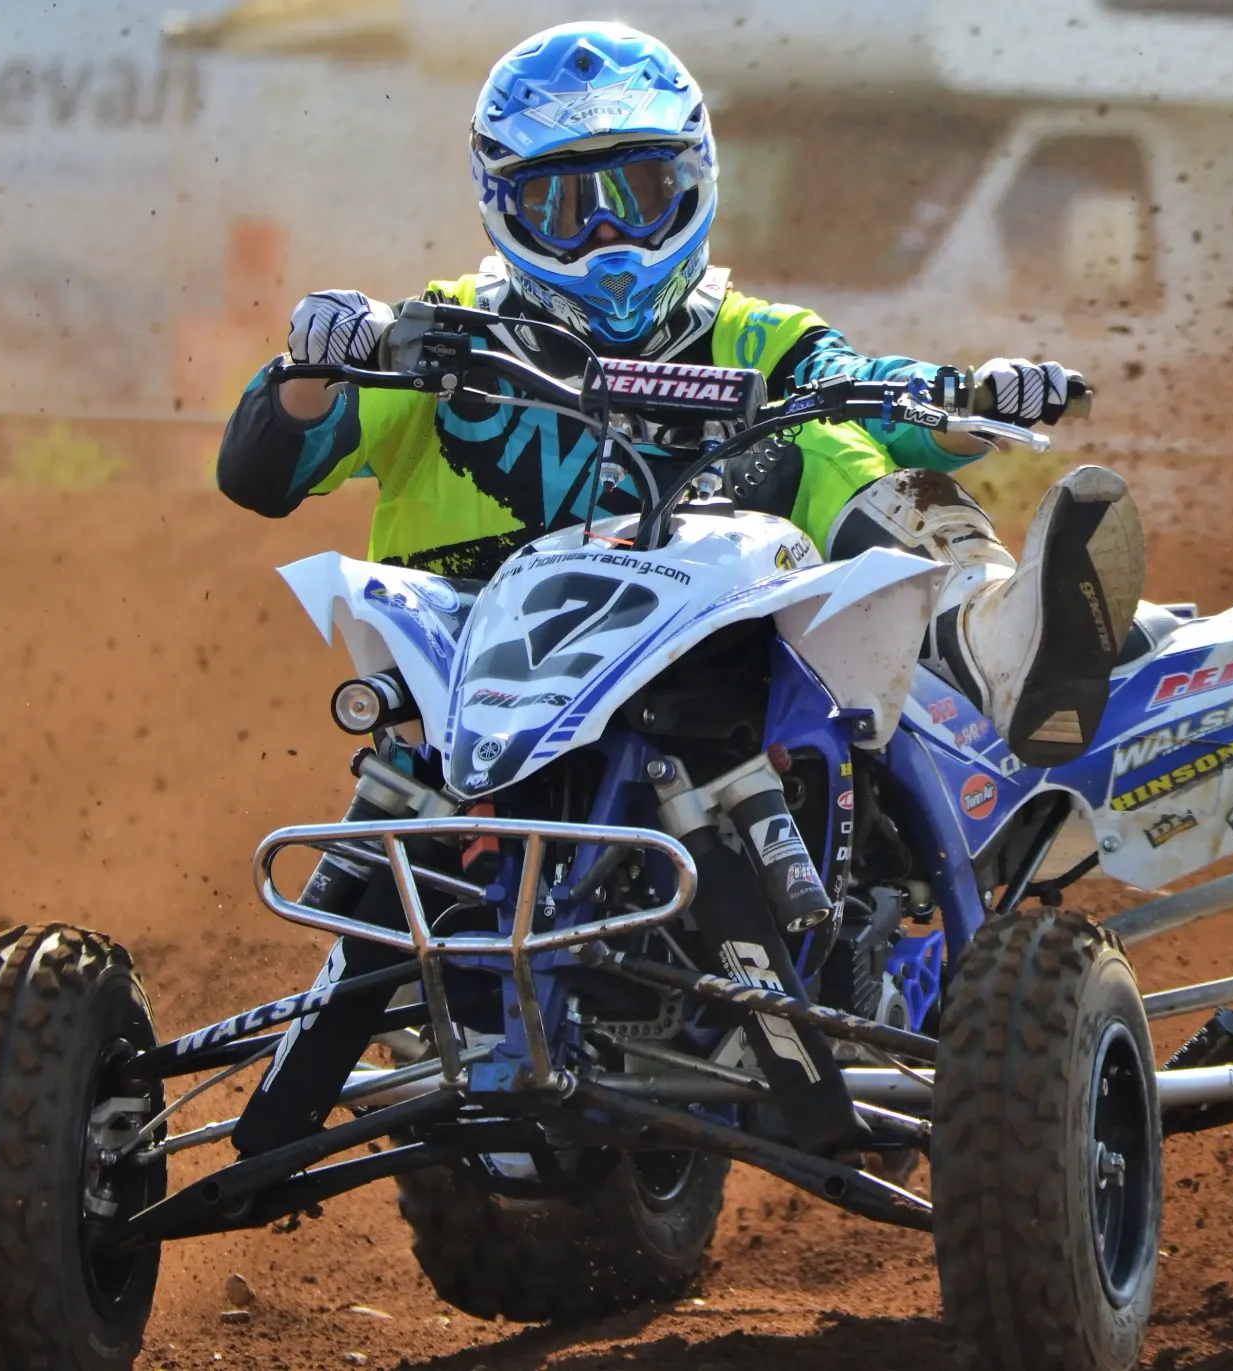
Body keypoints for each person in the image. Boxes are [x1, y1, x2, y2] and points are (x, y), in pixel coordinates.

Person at [214, 21, 1146, 1160]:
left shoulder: (756, 340)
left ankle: (999, 652)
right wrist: (315, 368)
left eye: (639, 192)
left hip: (711, 688)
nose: (606, 234)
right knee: (395, 765)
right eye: (567, 206)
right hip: (483, 719)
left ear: (695, 185)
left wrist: (965, 396)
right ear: (503, 208)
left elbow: (883, 395)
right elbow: (259, 472)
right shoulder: (440, 341)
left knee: (850, 465)